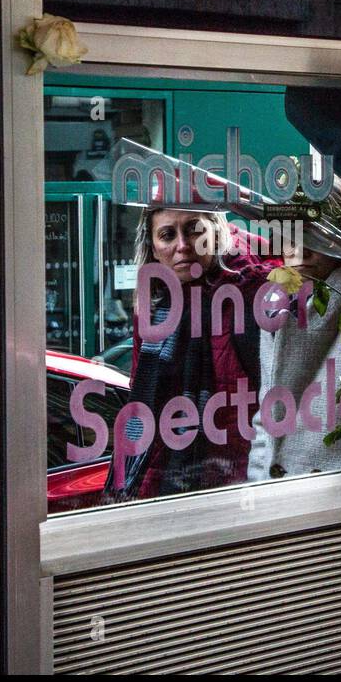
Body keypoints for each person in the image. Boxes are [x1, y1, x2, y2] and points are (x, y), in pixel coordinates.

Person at [106, 208, 277, 499]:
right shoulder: (153, 306)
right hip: (175, 477)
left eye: (194, 229)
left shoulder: (253, 291)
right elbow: (143, 406)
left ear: (216, 232)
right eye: (167, 235)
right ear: (154, 249)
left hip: (242, 481)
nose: (183, 245)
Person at [247, 183, 341, 480]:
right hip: (275, 490)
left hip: (339, 488)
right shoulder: (275, 301)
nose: (300, 249)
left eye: (314, 235)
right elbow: (267, 407)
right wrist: (255, 481)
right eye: (291, 234)